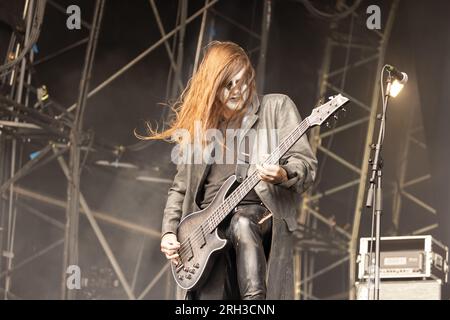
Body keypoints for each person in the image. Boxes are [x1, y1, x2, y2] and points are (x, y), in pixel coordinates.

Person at [139, 41, 317, 300]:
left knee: (242, 221)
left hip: (259, 219)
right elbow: (180, 188)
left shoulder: (276, 107)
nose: (238, 90)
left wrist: (283, 174)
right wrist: (168, 232)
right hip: (206, 234)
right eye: (228, 84)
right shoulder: (200, 128)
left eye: (243, 80)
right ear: (213, 86)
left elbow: (305, 164)